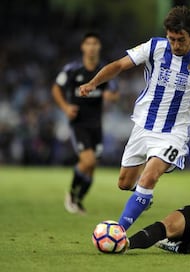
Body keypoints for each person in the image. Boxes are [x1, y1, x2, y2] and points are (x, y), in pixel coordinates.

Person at [79, 6, 190, 230]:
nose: (176, 45)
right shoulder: (155, 46)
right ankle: (143, 198)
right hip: (143, 125)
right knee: (125, 183)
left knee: (149, 177)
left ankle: (118, 232)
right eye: (172, 39)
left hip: (174, 131)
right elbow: (119, 65)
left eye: (181, 40)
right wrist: (93, 82)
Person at [52, 32, 119, 214]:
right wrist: (66, 107)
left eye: (95, 43)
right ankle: (71, 195)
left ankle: (79, 200)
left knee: (91, 167)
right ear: (83, 47)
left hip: (96, 125)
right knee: (87, 160)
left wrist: (109, 96)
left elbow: (115, 92)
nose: (91, 46)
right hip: (78, 123)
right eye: (88, 43)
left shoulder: (104, 70)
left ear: (99, 47)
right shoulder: (73, 69)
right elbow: (56, 88)